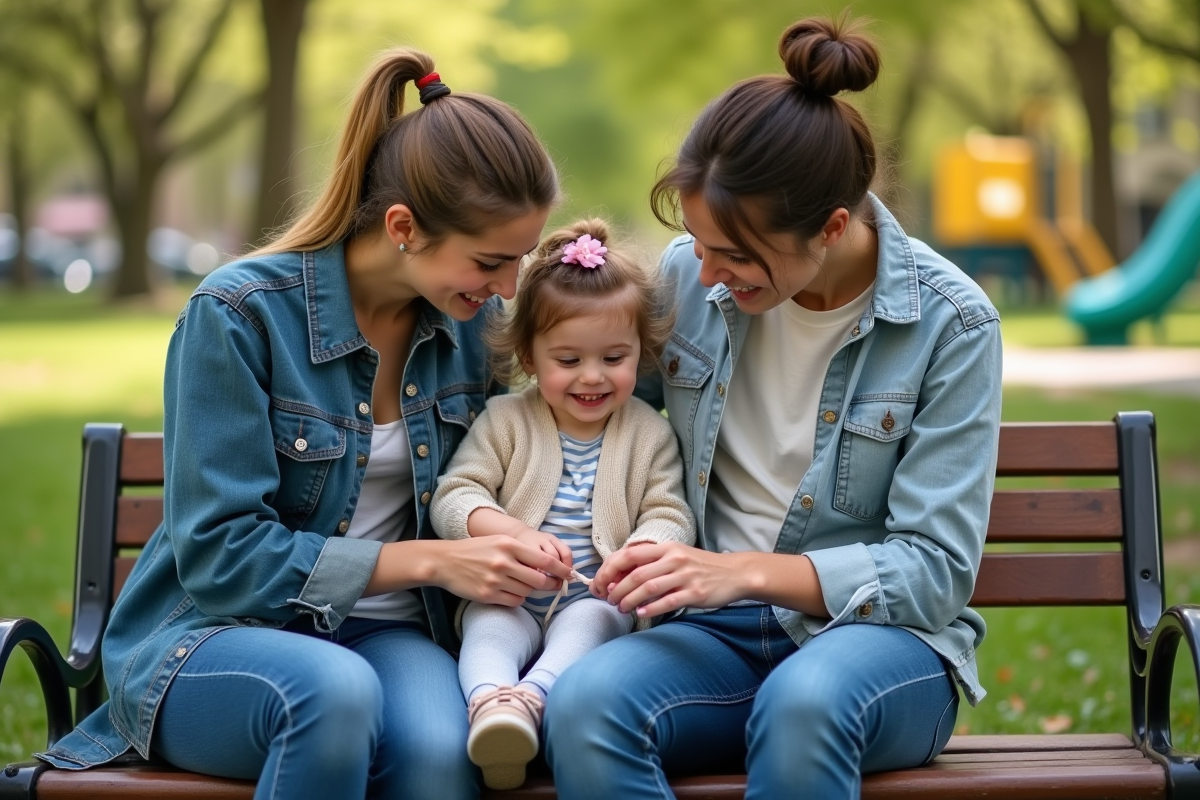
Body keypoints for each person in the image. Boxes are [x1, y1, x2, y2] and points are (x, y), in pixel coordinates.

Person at [38, 49, 569, 800]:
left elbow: (591, 384)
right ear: (403, 227)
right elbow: (223, 557)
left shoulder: (473, 330)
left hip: (391, 634)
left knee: (444, 753)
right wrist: (433, 562)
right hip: (210, 638)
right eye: (490, 262)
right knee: (332, 694)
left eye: (518, 262)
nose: (506, 289)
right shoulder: (240, 315)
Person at [543, 14, 1003, 800]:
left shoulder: (951, 324)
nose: (707, 274)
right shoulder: (688, 278)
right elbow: (601, 418)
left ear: (832, 226)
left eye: (738, 256)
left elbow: (934, 572)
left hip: (880, 645)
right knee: (585, 707)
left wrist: (738, 572)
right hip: (709, 638)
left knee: (804, 705)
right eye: (698, 242)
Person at [430, 219, 696, 791]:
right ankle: (490, 706)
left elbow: (669, 511)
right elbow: (457, 493)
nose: (592, 377)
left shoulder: (648, 432)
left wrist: (642, 550)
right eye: (569, 361)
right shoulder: (506, 420)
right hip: (513, 588)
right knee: (487, 627)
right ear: (529, 355)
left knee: (592, 621)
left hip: (595, 588)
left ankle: (532, 697)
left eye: (614, 358)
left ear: (641, 353)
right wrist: (501, 529)